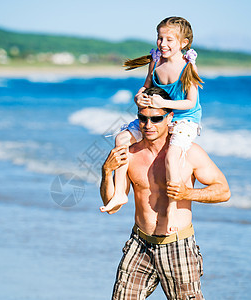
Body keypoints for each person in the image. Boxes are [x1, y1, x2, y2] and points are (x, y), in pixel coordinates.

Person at [99, 89, 230, 299]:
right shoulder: (130, 154)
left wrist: (187, 193)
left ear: (170, 117)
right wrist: (107, 171)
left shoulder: (189, 153)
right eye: (143, 118)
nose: (148, 125)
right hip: (140, 243)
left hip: (177, 245)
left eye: (156, 119)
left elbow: (223, 191)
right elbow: (111, 204)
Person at [106, 17, 204, 230]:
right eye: (160, 38)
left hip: (184, 118)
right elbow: (146, 85)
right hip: (158, 114)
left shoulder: (188, 66)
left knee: (171, 156)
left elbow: (191, 102)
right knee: (121, 138)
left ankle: (171, 208)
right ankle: (119, 193)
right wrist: (139, 97)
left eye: (170, 39)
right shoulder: (156, 60)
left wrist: (164, 102)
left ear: (183, 43)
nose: (163, 44)